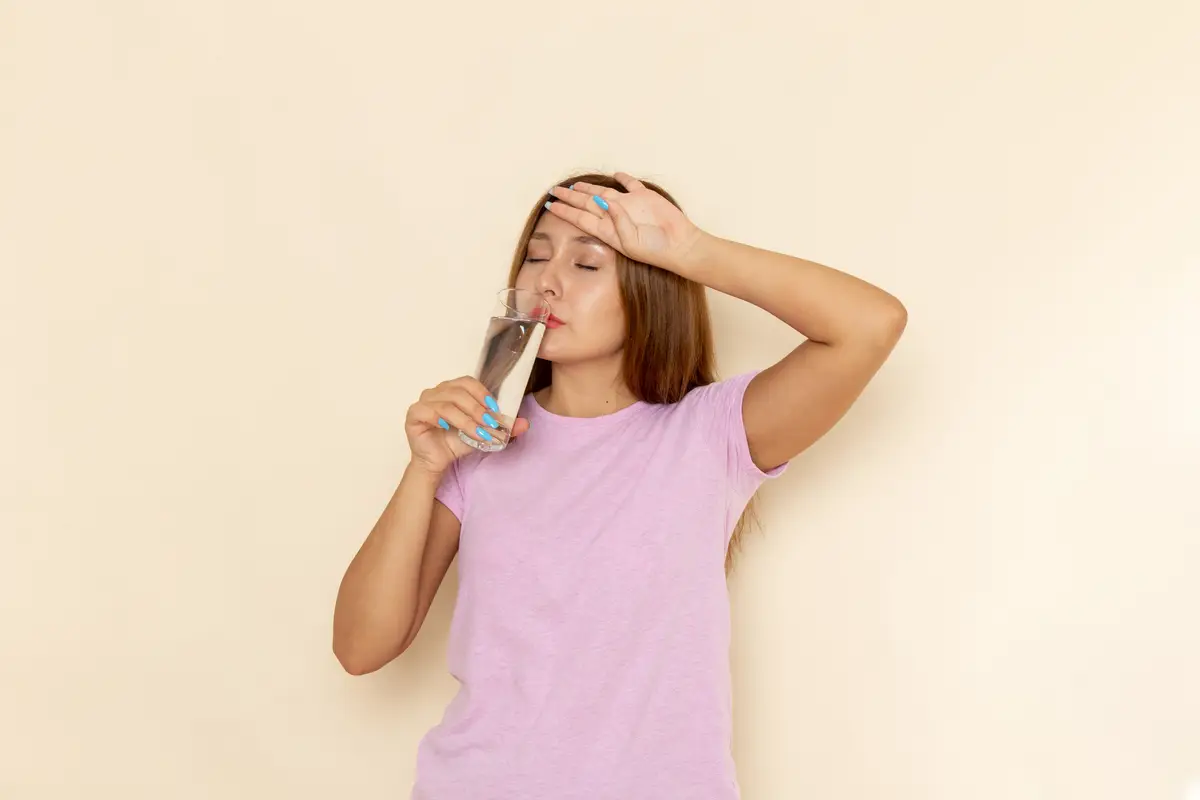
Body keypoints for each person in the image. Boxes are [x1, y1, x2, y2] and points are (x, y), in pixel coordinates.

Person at [332, 171, 907, 799]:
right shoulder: (477, 448)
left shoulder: (709, 433)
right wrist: (424, 468)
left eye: (587, 263)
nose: (548, 281)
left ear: (646, 286)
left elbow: (871, 324)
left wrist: (691, 251)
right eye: (537, 255)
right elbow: (361, 648)